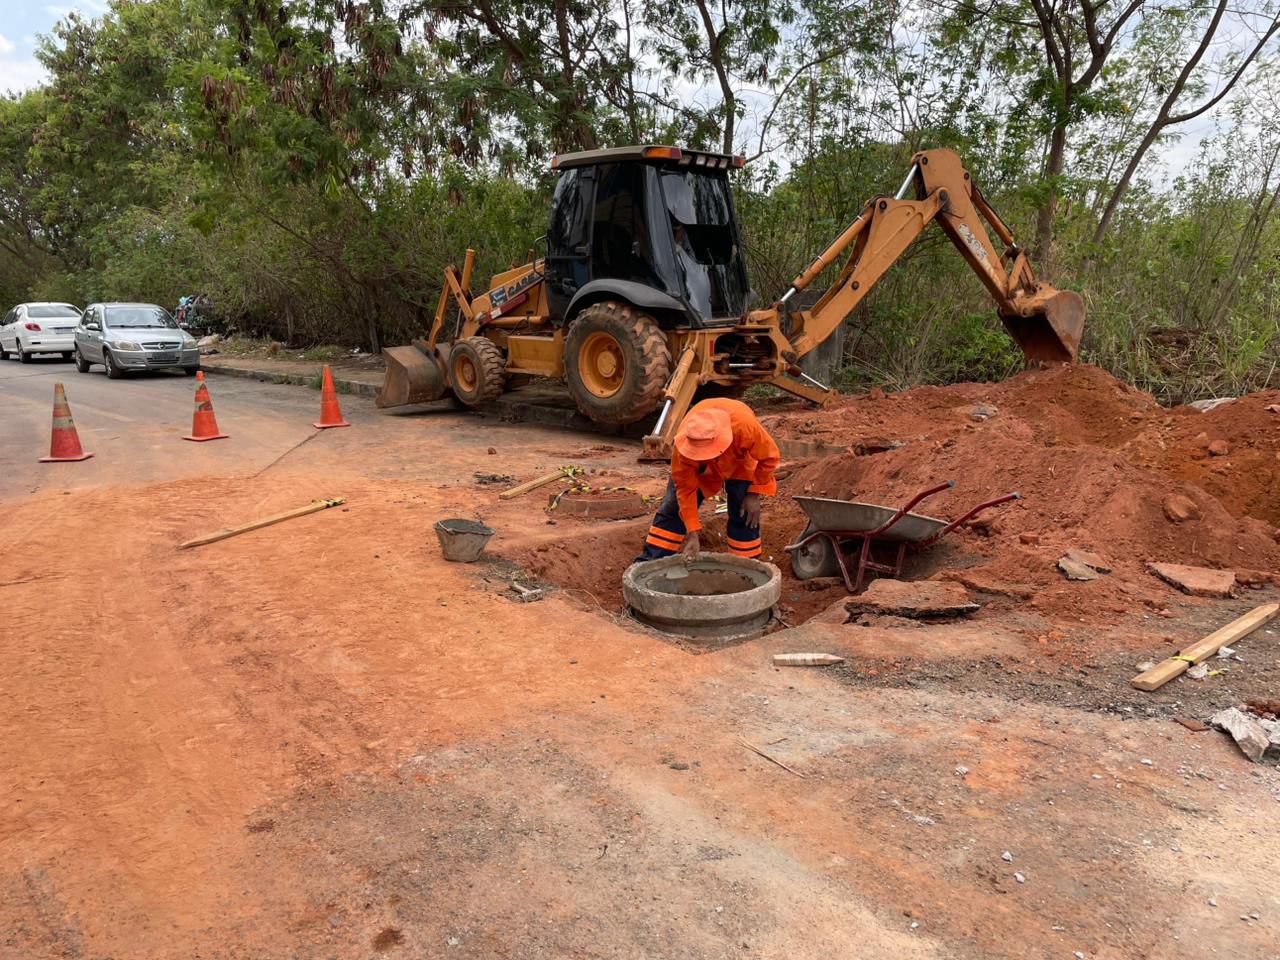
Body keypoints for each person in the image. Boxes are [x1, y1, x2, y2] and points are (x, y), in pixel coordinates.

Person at [636, 397, 780, 562]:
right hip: (702, 469)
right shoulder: (683, 447)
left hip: (740, 461)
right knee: (673, 506)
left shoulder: (744, 427)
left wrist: (754, 493)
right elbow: (685, 490)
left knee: (744, 510)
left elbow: (770, 457)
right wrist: (692, 533)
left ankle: (747, 564)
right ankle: (652, 561)